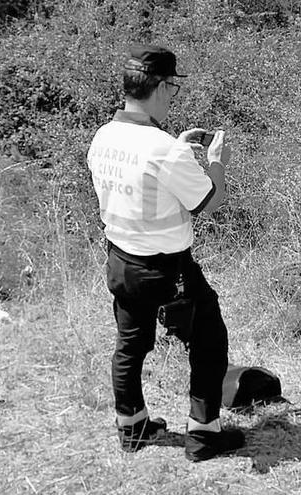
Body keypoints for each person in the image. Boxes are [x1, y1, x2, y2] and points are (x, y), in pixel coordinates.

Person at [86, 43, 244, 462]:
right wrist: (215, 163)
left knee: (131, 343)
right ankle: (204, 435)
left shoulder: (104, 136)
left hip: (121, 261)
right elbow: (210, 201)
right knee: (209, 339)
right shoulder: (165, 150)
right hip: (168, 269)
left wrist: (174, 147)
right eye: (173, 89)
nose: (173, 97)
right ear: (159, 87)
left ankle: (133, 427)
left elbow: (142, 176)